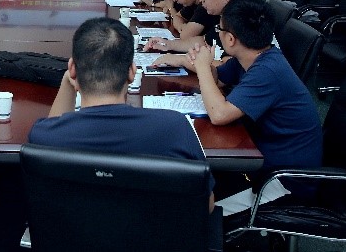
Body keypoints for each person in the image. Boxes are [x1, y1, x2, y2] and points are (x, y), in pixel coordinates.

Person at [28, 17, 214, 211]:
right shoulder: (175, 128)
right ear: (132, 72)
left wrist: (68, 81)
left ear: (72, 70)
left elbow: (54, 133)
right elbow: (206, 206)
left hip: (73, 231)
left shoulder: (44, 136)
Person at [186, 0, 322, 211]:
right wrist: (203, 63)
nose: (218, 33)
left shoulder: (268, 70)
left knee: (197, 207)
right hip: (259, 158)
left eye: (219, 29)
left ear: (231, 39)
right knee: (191, 185)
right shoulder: (252, 56)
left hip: (283, 181)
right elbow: (218, 80)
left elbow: (219, 114)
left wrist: (202, 67)